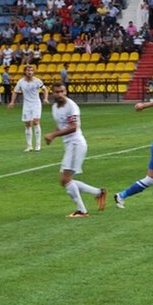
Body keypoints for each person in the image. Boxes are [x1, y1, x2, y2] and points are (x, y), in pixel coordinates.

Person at [44, 83, 106, 218]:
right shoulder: (55, 107)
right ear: (53, 93)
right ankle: (98, 193)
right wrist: (52, 136)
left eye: (62, 91)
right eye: (57, 92)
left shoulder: (71, 106)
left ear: (66, 91)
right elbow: (61, 126)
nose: (59, 94)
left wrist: (53, 135)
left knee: (65, 179)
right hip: (70, 145)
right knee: (65, 180)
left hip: (76, 144)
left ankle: (82, 211)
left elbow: (73, 127)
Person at [9, 65, 47, 151]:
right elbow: (15, 91)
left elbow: (45, 90)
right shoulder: (21, 82)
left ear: (33, 72)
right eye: (28, 70)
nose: (29, 72)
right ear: (25, 72)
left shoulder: (37, 81)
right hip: (26, 105)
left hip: (36, 104)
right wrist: (12, 102)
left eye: (31, 70)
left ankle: (38, 145)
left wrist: (45, 98)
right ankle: (29, 145)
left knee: (36, 122)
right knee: (27, 124)